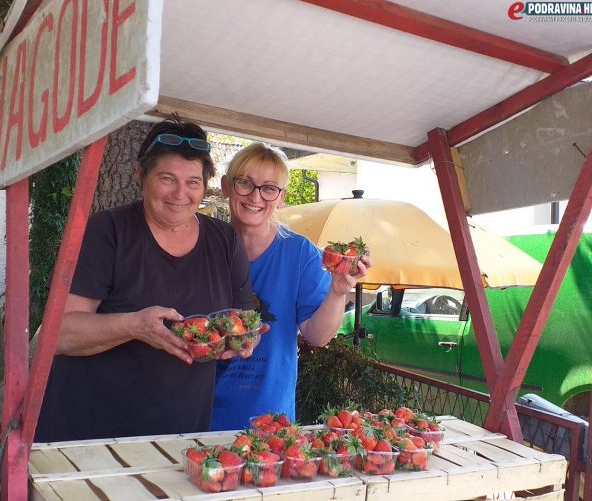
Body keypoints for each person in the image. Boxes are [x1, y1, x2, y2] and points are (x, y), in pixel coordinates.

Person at [35, 119, 254, 442]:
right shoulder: (105, 232)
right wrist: (134, 326)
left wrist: (245, 338)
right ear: (141, 176)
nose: (181, 194)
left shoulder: (225, 241)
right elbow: (58, 334)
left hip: (181, 437)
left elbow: (244, 319)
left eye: (193, 182)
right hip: (88, 433)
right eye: (167, 179)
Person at [211, 143, 372, 431]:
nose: (256, 196)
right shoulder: (202, 247)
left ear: (282, 197)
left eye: (269, 188)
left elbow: (317, 336)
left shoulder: (300, 253)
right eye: (245, 183)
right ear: (226, 186)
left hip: (268, 425)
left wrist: (338, 290)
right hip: (198, 416)